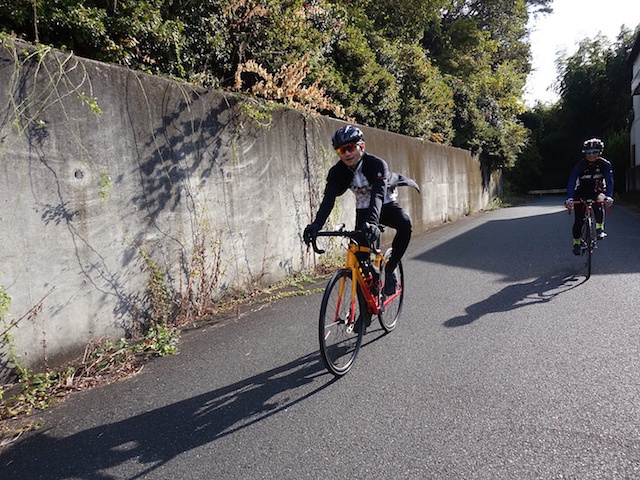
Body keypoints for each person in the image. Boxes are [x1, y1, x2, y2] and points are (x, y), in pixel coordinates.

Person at [303, 125, 419, 295]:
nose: (347, 154)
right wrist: (316, 225)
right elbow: (328, 199)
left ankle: (391, 268)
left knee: (405, 223)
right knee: (360, 260)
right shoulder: (337, 172)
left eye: (350, 148)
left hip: (385, 205)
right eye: (342, 150)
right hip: (363, 209)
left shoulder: (377, 164)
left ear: (361, 147)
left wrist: (373, 222)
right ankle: (364, 312)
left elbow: (378, 195)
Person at [565, 137, 614, 255]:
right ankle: (576, 243)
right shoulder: (580, 166)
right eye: (588, 152)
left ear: (599, 152)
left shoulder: (605, 164)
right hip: (581, 192)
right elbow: (571, 181)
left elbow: (609, 180)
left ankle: (599, 228)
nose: (591, 155)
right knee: (578, 221)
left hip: (597, 191)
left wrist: (609, 196)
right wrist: (570, 198)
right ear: (584, 153)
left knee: (599, 202)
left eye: (594, 152)